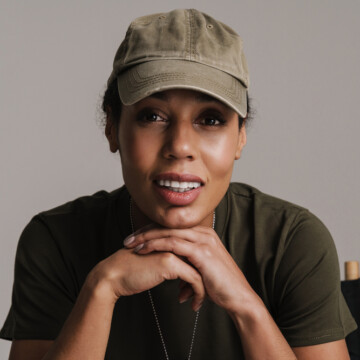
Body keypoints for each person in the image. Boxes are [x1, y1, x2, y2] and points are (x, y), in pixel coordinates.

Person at [0, 8, 357, 360]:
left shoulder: (291, 242)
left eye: (211, 119)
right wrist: (101, 288)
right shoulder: (55, 241)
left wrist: (247, 306)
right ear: (111, 127)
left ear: (240, 137)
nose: (181, 146)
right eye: (152, 116)